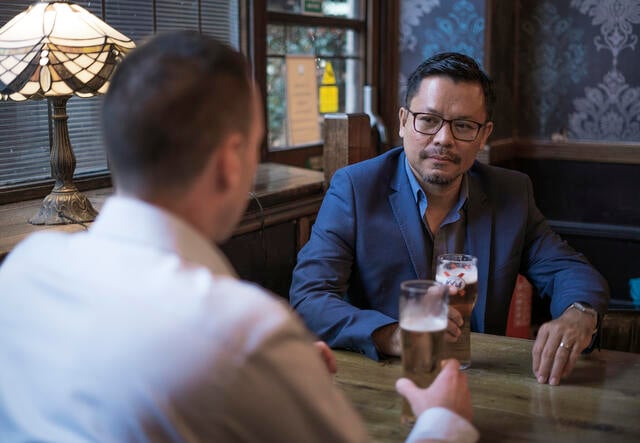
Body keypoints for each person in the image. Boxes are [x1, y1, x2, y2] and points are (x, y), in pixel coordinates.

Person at [0, 33, 479, 442]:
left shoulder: (20, 274)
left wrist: (281, 372)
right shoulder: (244, 333)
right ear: (231, 162)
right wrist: (443, 420)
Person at [290, 52, 609, 386]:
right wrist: (397, 336)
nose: (444, 139)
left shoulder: (511, 193)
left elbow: (566, 270)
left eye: (463, 126)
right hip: (378, 378)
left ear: (484, 134)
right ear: (403, 121)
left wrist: (580, 313)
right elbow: (309, 298)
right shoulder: (355, 188)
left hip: (477, 382)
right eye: (428, 120)